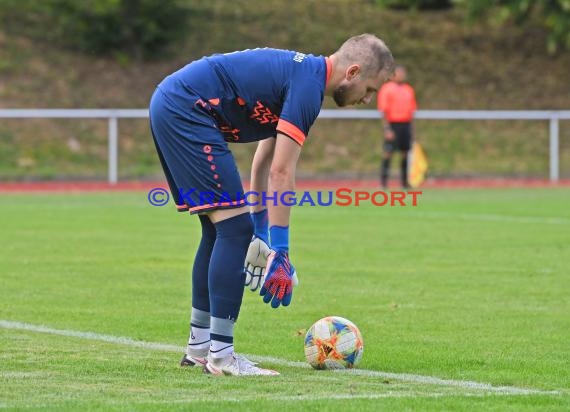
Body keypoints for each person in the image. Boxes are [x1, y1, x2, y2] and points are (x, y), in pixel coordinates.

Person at [149, 34, 394, 376]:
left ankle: (199, 348)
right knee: (233, 230)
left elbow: (263, 161)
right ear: (352, 72)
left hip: (174, 103)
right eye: (370, 89)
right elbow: (281, 171)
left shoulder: (301, 78)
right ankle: (221, 357)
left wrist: (261, 230)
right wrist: (281, 250)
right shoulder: (308, 87)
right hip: (187, 108)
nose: (368, 99)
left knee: (218, 230)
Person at [377, 65, 417, 188]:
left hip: (406, 125)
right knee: (388, 153)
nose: (401, 76)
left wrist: (412, 130)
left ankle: (404, 183)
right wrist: (387, 129)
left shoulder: (409, 90)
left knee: (405, 153)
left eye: (403, 73)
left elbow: (411, 112)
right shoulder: (386, 89)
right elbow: (383, 111)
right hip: (393, 124)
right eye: (398, 73)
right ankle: (383, 183)